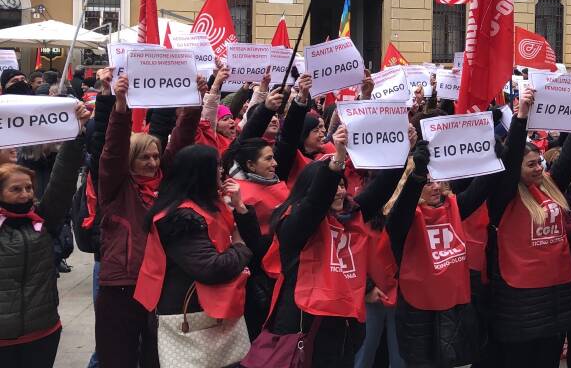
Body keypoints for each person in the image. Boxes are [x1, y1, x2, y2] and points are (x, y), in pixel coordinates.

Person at [264, 123, 405, 367]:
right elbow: (314, 205)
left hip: (343, 327)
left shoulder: (350, 215)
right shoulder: (294, 224)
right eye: (333, 186)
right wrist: (338, 159)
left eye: (342, 185)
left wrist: (403, 151)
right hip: (303, 325)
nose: (339, 192)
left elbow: (380, 192)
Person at [96, 75, 200, 368]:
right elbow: (112, 150)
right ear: (130, 161)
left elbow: (180, 141)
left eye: (156, 157)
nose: (153, 163)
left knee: (158, 357)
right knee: (118, 357)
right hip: (122, 284)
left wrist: (192, 104)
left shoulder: (166, 184)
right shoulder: (116, 186)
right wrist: (120, 107)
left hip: (161, 283)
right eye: (144, 158)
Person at [488, 87, 571, 368]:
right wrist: (521, 119)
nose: (539, 168)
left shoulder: (551, 186)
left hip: (556, 295)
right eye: (530, 164)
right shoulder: (503, 194)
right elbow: (509, 159)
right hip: (521, 301)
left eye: (539, 162)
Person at [384, 141, 498, 367]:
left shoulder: (454, 207)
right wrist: (418, 174)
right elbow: (403, 208)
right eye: (428, 183)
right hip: (418, 312)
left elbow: (482, 187)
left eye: (437, 179)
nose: (435, 186)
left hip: (455, 308)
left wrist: (496, 156)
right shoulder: (401, 219)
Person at [133, 145, 254, 346]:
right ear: (201, 173)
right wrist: (240, 246)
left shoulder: (210, 204)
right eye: (217, 166)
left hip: (207, 307)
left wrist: (240, 207)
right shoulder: (180, 217)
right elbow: (210, 267)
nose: (222, 171)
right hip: (188, 311)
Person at [0, 104, 89, 368]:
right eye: (16, 189)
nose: (26, 194)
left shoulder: (41, 220)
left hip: (42, 333)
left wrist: (75, 135)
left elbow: (61, 182)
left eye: (29, 187)